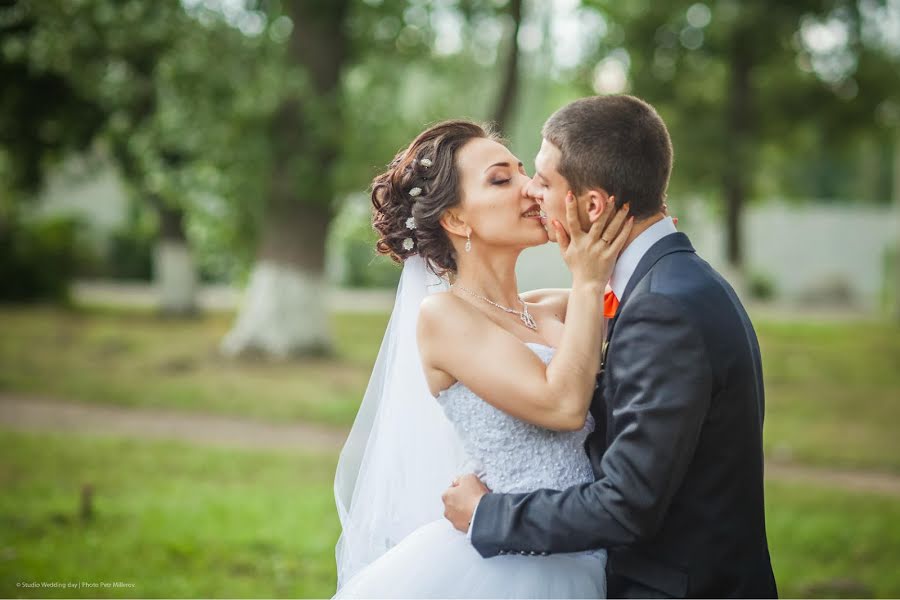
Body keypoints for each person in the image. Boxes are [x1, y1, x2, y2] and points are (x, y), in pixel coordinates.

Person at [442, 95, 778, 598]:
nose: (533, 193)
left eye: (543, 179)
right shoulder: (669, 284)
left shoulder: (663, 307)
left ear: (592, 205)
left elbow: (628, 503)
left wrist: (487, 515)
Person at [333, 119, 632, 598]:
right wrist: (589, 280)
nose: (532, 189)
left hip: (585, 548)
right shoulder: (443, 316)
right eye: (501, 179)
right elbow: (562, 406)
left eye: (525, 172)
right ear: (455, 219)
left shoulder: (552, 307)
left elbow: (636, 297)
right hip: (510, 569)